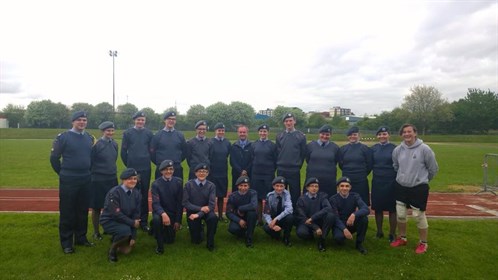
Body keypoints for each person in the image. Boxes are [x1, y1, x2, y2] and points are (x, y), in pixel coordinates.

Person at [50, 111, 95, 254]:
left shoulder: (89, 138)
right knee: (68, 211)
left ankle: (81, 238)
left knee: (82, 210)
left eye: (84, 120)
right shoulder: (63, 137)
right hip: (69, 179)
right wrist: (63, 173)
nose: (82, 122)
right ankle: (67, 243)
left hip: (85, 178)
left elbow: (91, 158)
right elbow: (54, 159)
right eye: (79, 120)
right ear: (73, 122)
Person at [390, 124, 439, 254]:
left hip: (418, 188)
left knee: (418, 216)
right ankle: (402, 238)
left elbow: (433, 169)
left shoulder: (425, 149)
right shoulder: (398, 150)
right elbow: (396, 166)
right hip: (401, 186)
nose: (407, 134)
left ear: (415, 133)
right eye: (404, 132)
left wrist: (422, 179)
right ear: (401, 134)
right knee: (400, 215)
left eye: (409, 131)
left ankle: (423, 243)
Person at [121, 111, 154, 232]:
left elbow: (152, 151)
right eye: (138, 119)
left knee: (144, 195)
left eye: (142, 120)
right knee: (131, 195)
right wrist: (130, 166)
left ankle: (143, 221)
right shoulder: (128, 133)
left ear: (145, 121)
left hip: (145, 168)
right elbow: (123, 152)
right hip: (132, 169)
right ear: (134, 120)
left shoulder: (149, 133)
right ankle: (131, 220)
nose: (140, 122)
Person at [100, 168, 141, 263]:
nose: (133, 181)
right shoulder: (114, 192)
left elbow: (136, 215)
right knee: (125, 232)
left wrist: (133, 237)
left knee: (127, 251)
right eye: (129, 179)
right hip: (110, 220)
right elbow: (116, 214)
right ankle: (112, 251)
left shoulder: (136, 193)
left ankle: (117, 238)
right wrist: (132, 223)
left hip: (125, 221)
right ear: (123, 180)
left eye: (135, 179)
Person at [90, 121, 118, 241]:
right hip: (98, 179)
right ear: (103, 132)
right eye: (108, 131)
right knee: (96, 207)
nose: (110, 133)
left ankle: (108, 228)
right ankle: (96, 232)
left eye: (112, 131)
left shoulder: (115, 144)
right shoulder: (97, 145)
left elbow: (114, 159)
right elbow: (91, 161)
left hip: (112, 178)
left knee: (111, 206)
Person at [182, 163, 218, 251]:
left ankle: (210, 242)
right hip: (192, 212)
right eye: (200, 171)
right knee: (196, 240)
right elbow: (185, 203)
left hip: (206, 212)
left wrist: (199, 214)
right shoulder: (188, 185)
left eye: (204, 172)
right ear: (195, 173)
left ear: (208, 173)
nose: (202, 173)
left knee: (213, 218)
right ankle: (200, 229)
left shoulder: (211, 186)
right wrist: (200, 209)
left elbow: (212, 205)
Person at [329, 176, 369, 255]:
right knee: (339, 239)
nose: (344, 188)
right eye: (342, 186)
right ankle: (342, 235)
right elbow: (335, 218)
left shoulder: (355, 196)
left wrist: (354, 214)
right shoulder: (333, 199)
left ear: (350, 187)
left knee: (364, 219)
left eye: (347, 186)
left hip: (351, 221)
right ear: (338, 187)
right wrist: (344, 229)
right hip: (339, 224)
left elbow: (366, 209)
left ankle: (359, 244)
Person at [151, 160, 184, 255]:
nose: (168, 171)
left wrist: (178, 221)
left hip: (172, 213)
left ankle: (154, 227)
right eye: (165, 169)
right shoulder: (155, 184)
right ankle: (159, 246)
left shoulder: (178, 182)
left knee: (170, 240)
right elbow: (156, 204)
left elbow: (179, 203)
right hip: (160, 212)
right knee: (157, 220)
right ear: (161, 171)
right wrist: (163, 214)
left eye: (171, 169)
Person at [370, 126, 397, 242]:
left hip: (391, 181)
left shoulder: (395, 148)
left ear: (388, 135)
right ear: (377, 136)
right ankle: (379, 231)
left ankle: (392, 234)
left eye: (384, 134)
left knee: (392, 209)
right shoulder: (373, 149)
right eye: (380, 134)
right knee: (378, 208)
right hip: (377, 181)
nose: (382, 136)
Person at [295, 177, 335, 252]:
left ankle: (322, 239)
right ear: (307, 187)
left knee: (330, 216)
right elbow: (302, 217)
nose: (314, 188)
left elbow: (328, 208)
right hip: (307, 222)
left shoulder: (322, 196)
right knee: (301, 233)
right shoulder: (301, 199)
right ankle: (310, 235)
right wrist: (315, 227)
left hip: (319, 220)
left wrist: (313, 218)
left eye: (316, 186)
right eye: (312, 186)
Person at [276, 113, 307, 207]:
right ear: (284, 123)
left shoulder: (301, 136)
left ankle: (295, 215)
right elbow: (278, 152)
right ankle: (281, 214)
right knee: (280, 193)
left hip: (294, 170)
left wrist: (297, 165)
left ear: (294, 121)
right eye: (286, 121)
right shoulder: (279, 136)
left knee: (295, 194)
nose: (288, 123)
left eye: (290, 120)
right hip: (281, 169)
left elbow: (303, 153)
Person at [338, 126, 373, 206]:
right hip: (347, 181)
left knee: (362, 203)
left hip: (361, 180)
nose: (352, 136)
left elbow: (369, 164)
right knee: (347, 204)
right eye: (350, 135)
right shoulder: (343, 149)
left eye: (354, 134)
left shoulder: (365, 149)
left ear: (358, 135)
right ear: (348, 136)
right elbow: (341, 164)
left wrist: (361, 174)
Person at [250, 124, 277, 225]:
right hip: (256, 174)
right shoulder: (254, 144)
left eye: (265, 131)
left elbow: (275, 160)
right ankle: (259, 218)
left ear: (268, 132)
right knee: (258, 198)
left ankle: (268, 219)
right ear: (258, 132)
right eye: (261, 131)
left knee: (269, 198)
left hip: (268, 175)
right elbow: (252, 158)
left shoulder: (272, 145)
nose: (263, 133)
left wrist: (270, 170)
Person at [150, 111, 187, 181]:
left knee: (177, 190)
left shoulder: (180, 135)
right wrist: (161, 163)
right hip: (161, 168)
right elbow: (152, 153)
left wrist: (176, 161)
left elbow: (184, 152)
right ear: (165, 120)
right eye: (169, 119)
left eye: (173, 119)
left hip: (176, 168)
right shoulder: (157, 135)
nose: (171, 121)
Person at [305, 124, 340, 197]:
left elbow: (336, 161)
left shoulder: (335, 147)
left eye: (327, 134)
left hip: (329, 181)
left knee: (329, 203)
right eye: (322, 134)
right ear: (319, 134)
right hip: (312, 180)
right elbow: (307, 159)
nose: (324, 136)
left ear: (330, 135)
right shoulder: (310, 146)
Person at [226, 176, 258, 248]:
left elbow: (253, 206)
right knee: (233, 229)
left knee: (252, 213)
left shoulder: (253, 193)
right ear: (237, 186)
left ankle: (249, 238)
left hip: (249, 217)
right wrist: (239, 220)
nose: (243, 188)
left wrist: (240, 209)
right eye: (241, 185)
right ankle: (244, 232)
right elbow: (228, 212)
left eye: (245, 185)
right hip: (238, 217)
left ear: (249, 186)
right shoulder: (233, 196)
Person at [208, 122, 231, 222]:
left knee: (221, 195)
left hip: (223, 172)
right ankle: (211, 215)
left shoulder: (227, 142)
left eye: (222, 130)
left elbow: (227, 155)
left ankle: (221, 215)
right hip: (212, 172)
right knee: (211, 196)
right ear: (215, 131)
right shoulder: (210, 142)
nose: (221, 132)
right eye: (219, 130)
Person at [263, 176, 294, 247]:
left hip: (282, 218)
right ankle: (276, 234)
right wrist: (271, 223)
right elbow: (266, 213)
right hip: (273, 218)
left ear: (284, 187)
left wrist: (276, 219)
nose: (279, 188)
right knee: (266, 228)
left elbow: (289, 209)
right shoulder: (269, 195)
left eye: (281, 186)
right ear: (273, 186)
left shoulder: (286, 194)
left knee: (290, 217)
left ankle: (286, 238)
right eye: (277, 186)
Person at [229, 124, 252, 192]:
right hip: (236, 173)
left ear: (247, 133)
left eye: (244, 132)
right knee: (236, 192)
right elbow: (232, 161)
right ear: (238, 133)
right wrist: (240, 171)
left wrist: (246, 170)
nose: (242, 134)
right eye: (240, 132)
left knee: (248, 192)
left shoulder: (252, 146)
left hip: (249, 173)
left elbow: (253, 160)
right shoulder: (234, 146)